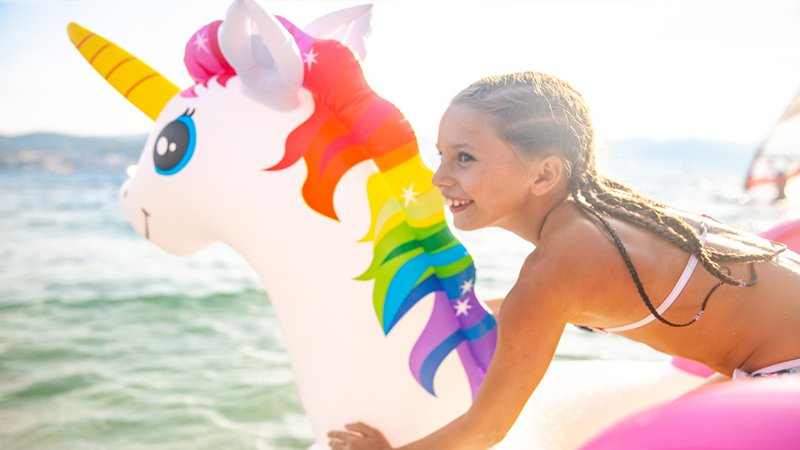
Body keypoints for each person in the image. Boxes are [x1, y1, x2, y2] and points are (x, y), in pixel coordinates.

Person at [327, 71, 800, 450]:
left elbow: (485, 430)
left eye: (464, 158)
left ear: (544, 174)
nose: (438, 178)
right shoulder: (599, 222)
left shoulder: (557, 265)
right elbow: (541, 306)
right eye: (442, 156)